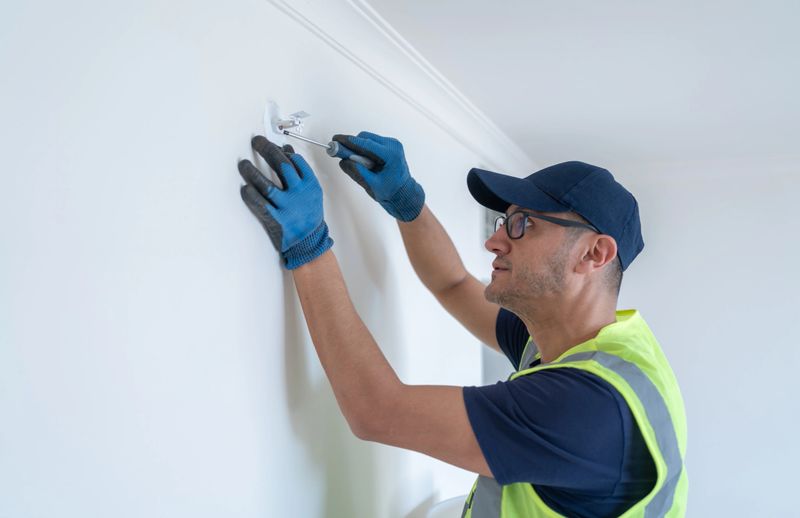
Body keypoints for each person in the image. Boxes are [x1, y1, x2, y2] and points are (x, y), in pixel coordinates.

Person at [237, 131, 688, 517]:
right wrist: (405, 200)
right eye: (503, 221)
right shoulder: (574, 343)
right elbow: (453, 283)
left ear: (594, 254)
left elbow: (377, 411)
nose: (493, 240)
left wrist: (310, 247)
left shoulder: (586, 408)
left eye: (522, 224)